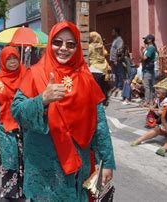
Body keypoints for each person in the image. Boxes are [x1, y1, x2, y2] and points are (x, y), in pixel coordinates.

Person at [10, 21, 115, 201]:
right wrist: (42, 100)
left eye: (70, 44)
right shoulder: (34, 74)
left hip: (79, 167)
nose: (63, 48)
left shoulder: (86, 78)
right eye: (57, 42)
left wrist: (107, 162)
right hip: (44, 166)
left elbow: (100, 124)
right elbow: (17, 111)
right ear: (50, 43)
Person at [0, 46, 27, 200]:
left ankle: (23, 192)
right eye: (8, 59)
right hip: (5, 128)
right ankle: (9, 194)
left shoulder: (27, 75)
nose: (12, 62)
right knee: (10, 161)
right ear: (3, 60)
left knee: (25, 161)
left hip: (25, 128)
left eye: (15, 58)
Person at [131, 92, 167, 157]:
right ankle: (139, 140)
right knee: (156, 130)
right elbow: (163, 117)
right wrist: (166, 126)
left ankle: (164, 148)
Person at [140, 34, 158, 107]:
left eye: (147, 39)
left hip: (148, 69)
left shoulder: (150, 48)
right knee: (149, 86)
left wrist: (141, 52)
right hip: (148, 68)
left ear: (150, 40)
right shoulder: (149, 48)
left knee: (147, 86)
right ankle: (150, 101)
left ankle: (147, 101)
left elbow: (144, 58)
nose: (145, 41)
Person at [109, 28, 124, 94]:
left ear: (116, 32)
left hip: (117, 60)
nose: (112, 33)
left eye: (113, 32)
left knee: (119, 72)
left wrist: (116, 59)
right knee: (115, 73)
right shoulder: (115, 40)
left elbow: (119, 50)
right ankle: (116, 85)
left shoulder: (119, 40)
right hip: (113, 59)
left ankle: (120, 86)